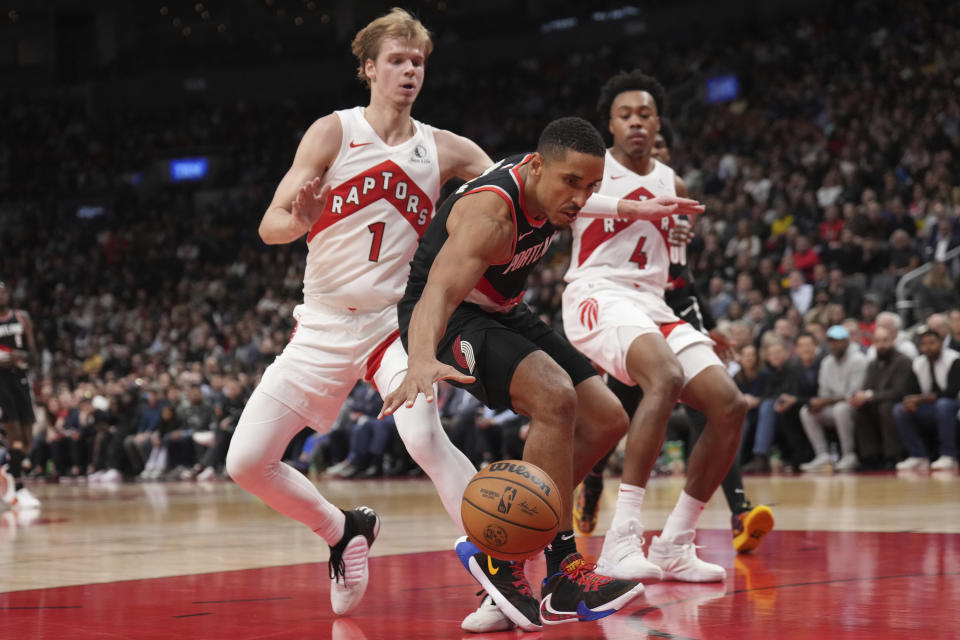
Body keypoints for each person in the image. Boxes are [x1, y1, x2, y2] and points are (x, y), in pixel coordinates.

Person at [224, 8, 684, 622]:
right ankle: (343, 532)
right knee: (246, 463)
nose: (409, 70)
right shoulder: (332, 133)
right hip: (324, 322)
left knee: (425, 440)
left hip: (399, 321)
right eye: (396, 60)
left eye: (417, 61)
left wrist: (632, 207)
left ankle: (499, 571)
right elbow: (270, 225)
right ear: (368, 69)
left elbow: (539, 186)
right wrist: (302, 218)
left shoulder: (443, 147)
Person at [382, 117, 701, 629]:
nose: (580, 198)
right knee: (554, 398)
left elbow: (574, 194)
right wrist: (420, 358)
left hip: (503, 309)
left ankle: (505, 546)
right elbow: (437, 292)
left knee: (606, 418)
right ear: (535, 167)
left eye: (592, 185)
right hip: (449, 315)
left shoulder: (553, 191)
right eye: (572, 183)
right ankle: (562, 569)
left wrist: (630, 207)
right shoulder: (491, 215)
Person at [560, 70, 747, 584]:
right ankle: (622, 539)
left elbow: (675, 271)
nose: (636, 122)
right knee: (662, 377)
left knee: (728, 404)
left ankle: (674, 543)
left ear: (658, 121)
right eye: (626, 115)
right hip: (596, 293)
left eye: (645, 114)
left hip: (653, 306)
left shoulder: (673, 182)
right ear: (611, 125)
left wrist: (696, 324)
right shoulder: (589, 172)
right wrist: (634, 207)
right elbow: (564, 205)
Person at [798, 325, 868, 471]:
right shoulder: (827, 362)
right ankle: (822, 455)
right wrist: (820, 403)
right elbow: (824, 393)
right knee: (807, 411)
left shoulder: (859, 360)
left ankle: (849, 455)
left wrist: (825, 401)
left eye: (837, 341)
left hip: (858, 408)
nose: (834, 345)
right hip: (835, 406)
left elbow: (853, 395)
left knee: (841, 409)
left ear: (847, 341)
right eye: (830, 341)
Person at [893, 329, 960, 471]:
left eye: (932, 343)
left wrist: (920, 399)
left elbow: (951, 392)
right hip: (931, 407)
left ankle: (949, 455)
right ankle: (918, 456)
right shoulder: (918, 362)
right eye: (924, 344)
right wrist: (909, 401)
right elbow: (909, 390)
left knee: (943, 405)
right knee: (900, 409)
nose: (928, 347)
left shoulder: (954, 359)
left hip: (954, 406)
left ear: (941, 343)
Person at [0, 281, 41, 509]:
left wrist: (19, 355)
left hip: (21, 379)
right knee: (14, 435)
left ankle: (9, 467)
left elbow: (33, 354)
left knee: (27, 440)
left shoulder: (22, 317)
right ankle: (19, 488)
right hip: (1, 382)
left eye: (3, 292)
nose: (1, 296)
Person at [849, 326, 912, 470]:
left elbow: (898, 391)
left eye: (885, 340)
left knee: (886, 408)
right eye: (877, 341)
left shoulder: (903, 361)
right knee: (859, 409)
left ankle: (893, 455)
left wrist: (870, 395)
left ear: (893, 340)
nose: (881, 345)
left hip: (898, 403)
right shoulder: (872, 364)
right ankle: (870, 455)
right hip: (878, 402)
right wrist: (860, 396)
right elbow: (866, 387)